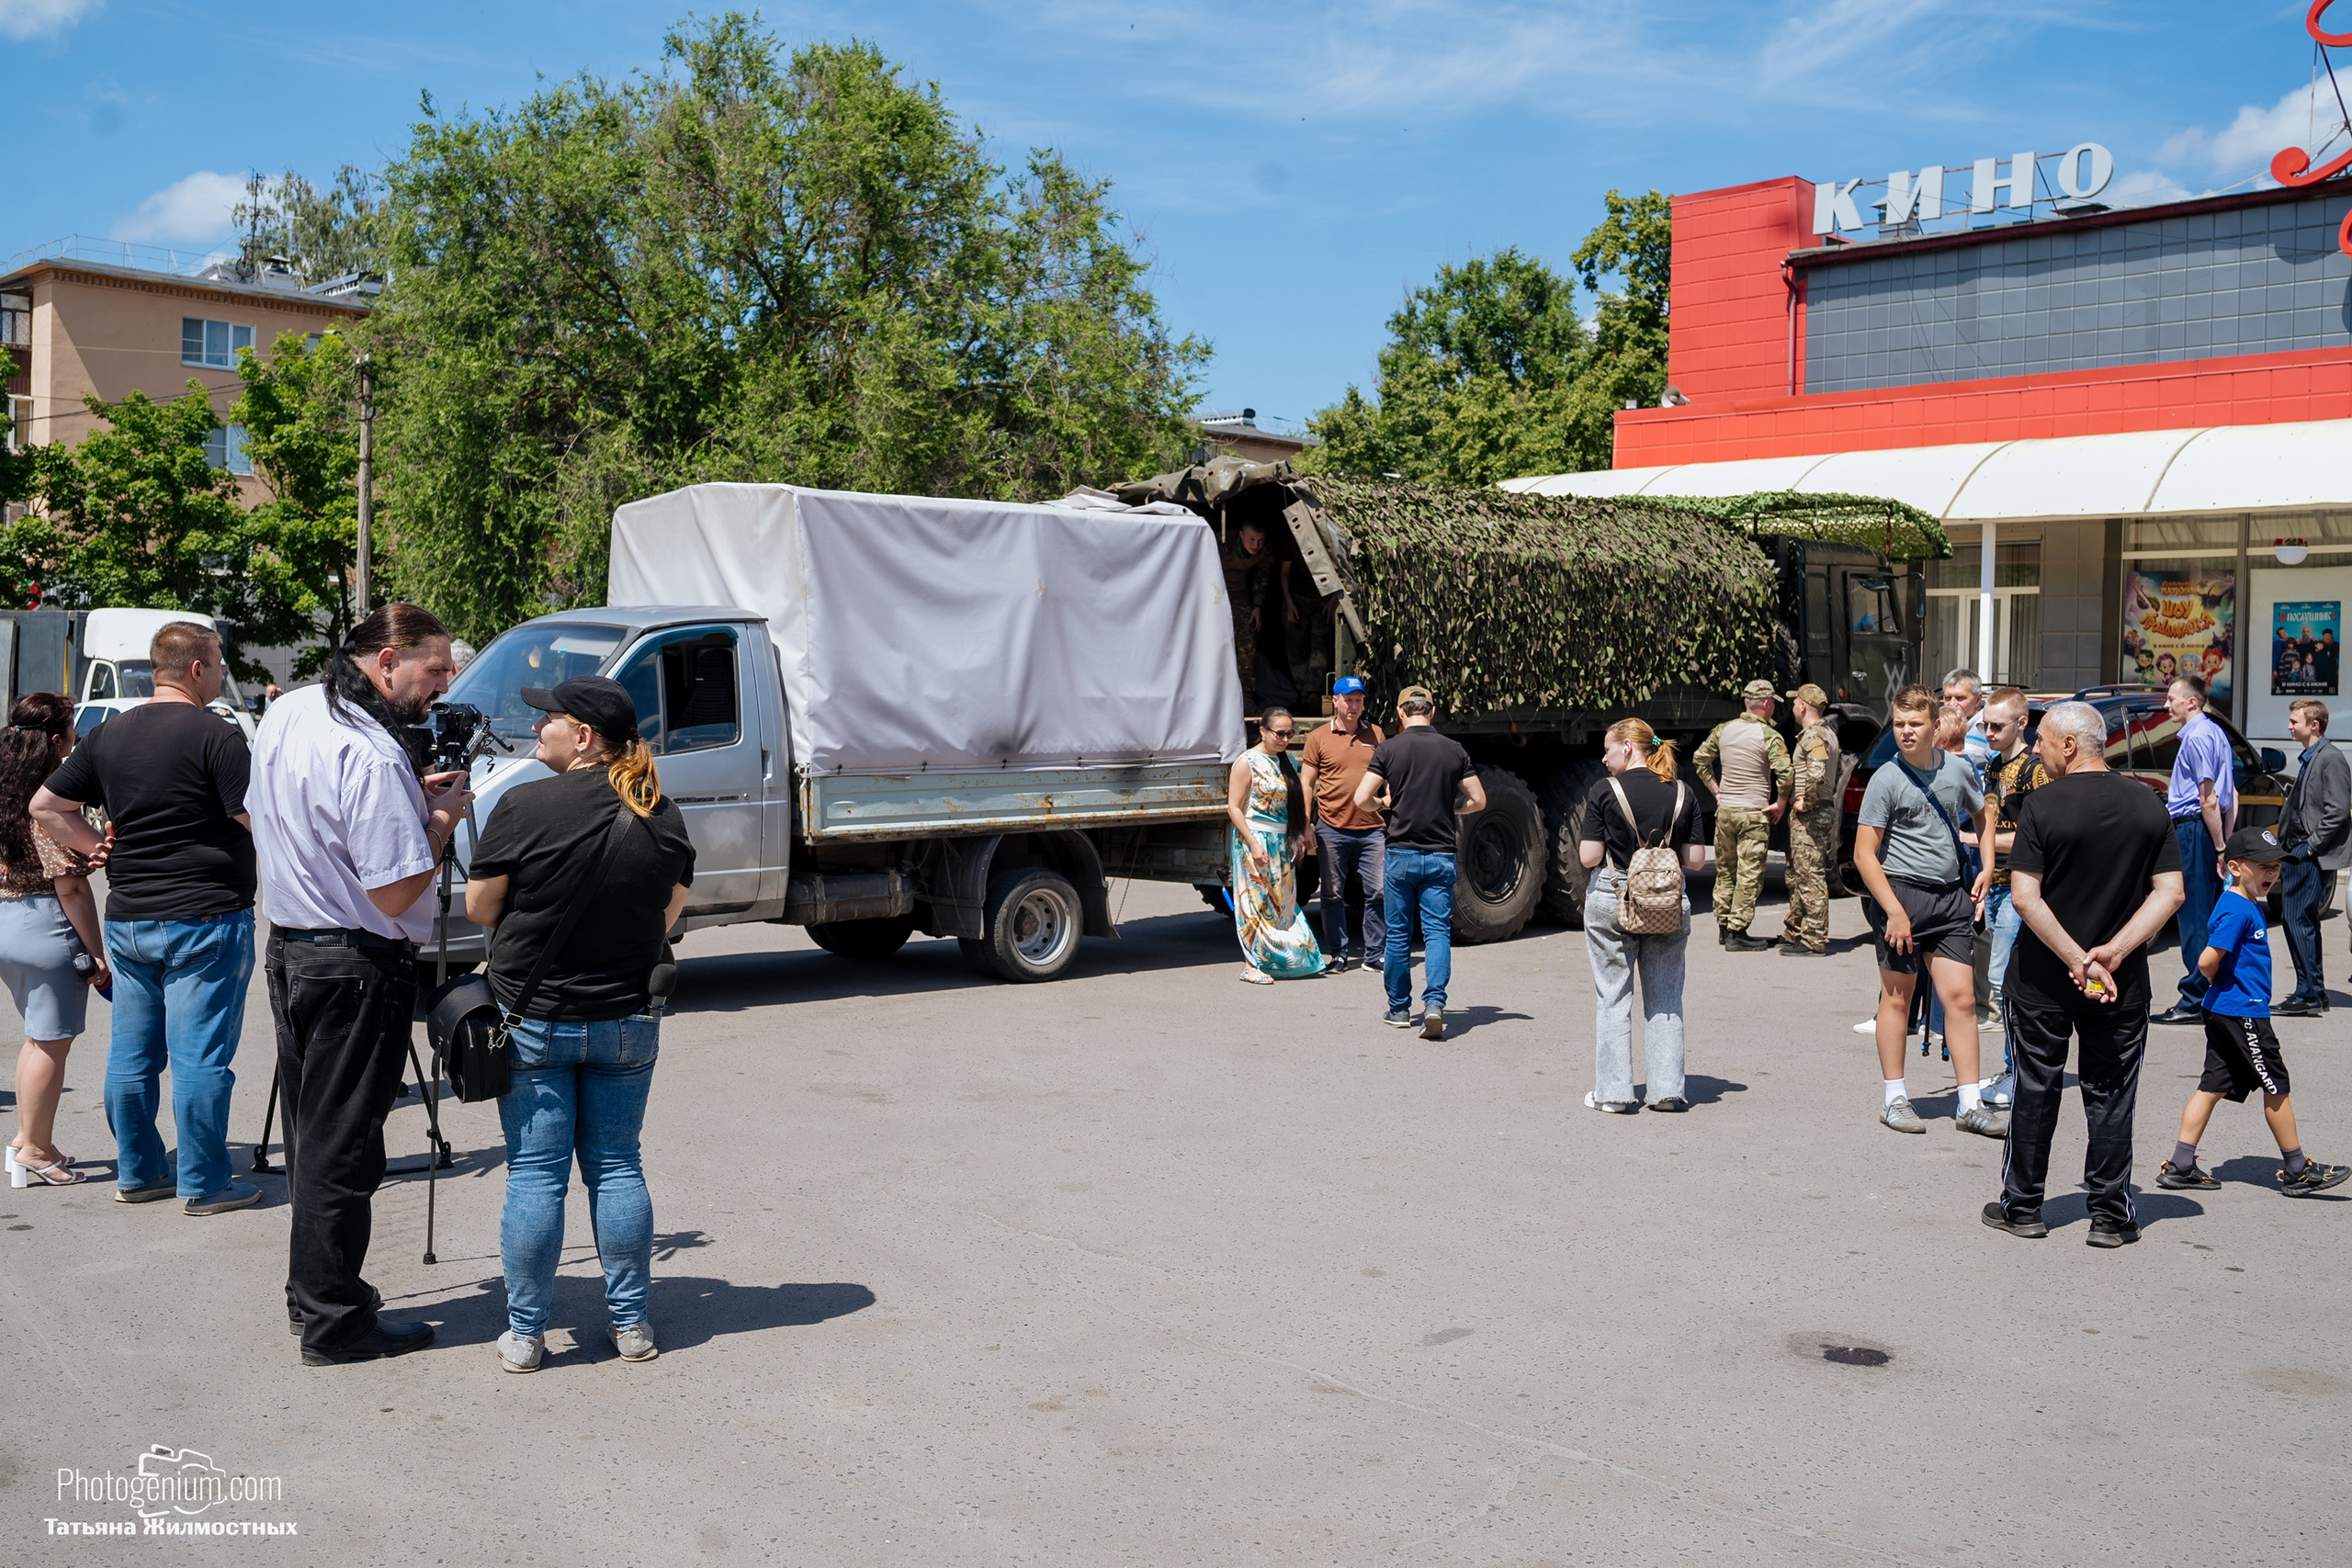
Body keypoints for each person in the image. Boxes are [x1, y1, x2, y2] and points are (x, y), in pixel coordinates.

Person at [246, 604, 470, 1365]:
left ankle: (312, 1293)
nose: (443, 684)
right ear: (386, 661)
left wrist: (410, 796)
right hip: (354, 965)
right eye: (434, 667)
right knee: (344, 1149)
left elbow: (274, 813)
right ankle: (335, 1320)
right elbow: (397, 891)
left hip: (295, 950)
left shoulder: (293, 711)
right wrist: (438, 819)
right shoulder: (370, 751)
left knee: (316, 1138)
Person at [465, 676, 696, 1371]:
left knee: (535, 1175)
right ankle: (631, 1326)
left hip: (533, 1019)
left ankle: (527, 1336)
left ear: (584, 736)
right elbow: (669, 911)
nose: (537, 731)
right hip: (627, 1017)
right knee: (618, 1166)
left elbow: (480, 908)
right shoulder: (662, 813)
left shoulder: (524, 805)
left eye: (548, 721)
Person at [30, 621, 258, 1214]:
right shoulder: (218, 735)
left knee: (132, 1056)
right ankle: (205, 1183)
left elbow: (46, 805)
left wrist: (91, 845)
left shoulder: (107, 734)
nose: (221, 674)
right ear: (197, 669)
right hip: (204, 913)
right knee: (200, 1057)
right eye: (218, 664)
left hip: (130, 916)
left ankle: (139, 1170)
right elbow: (254, 820)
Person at [1983, 701, 2185, 1247]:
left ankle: (2023, 1206)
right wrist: (2112, 952)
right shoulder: (2148, 803)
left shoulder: (2041, 806)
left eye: (2045, 741)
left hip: (2043, 980)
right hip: (2121, 983)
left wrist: (2077, 958)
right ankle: (2110, 1216)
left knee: (2035, 1088)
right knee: (2112, 1093)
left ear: (2069, 745)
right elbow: (2171, 893)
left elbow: (2025, 897)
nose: (2040, 750)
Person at [2155, 827, 2348, 1197]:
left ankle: (2180, 1165)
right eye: (2262, 865)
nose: (2271, 873)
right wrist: (2223, 984)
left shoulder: (2242, 904)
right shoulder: (2238, 909)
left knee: (2212, 1085)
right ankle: (2297, 1169)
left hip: (2228, 1011)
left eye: (2275, 866)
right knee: (2276, 1085)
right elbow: (2207, 959)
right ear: (2234, 866)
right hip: (2242, 1013)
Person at [1853, 684, 2001, 1138]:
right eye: (1898, 724)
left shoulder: (1957, 769)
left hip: (1950, 898)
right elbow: (1864, 855)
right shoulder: (1886, 779)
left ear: (1936, 726)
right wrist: (1895, 912)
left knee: (1959, 1001)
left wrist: (1989, 866)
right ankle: (1895, 1098)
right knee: (1896, 1000)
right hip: (1902, 898)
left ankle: (1970, 1104)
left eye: (1915, 724)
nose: (1905, 732)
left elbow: (1984, 815)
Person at [2, 695, 107, 1188]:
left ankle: (27, 1138)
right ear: (57, 738)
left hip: (5, 920)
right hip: (43, 923)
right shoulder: (46, 795)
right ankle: (35, 1150)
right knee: (51, 1042)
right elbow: (69, 884)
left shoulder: (3, 786)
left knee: (37, 1037)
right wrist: (96, 952)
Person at [1577, 718, 1706, 1113]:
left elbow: (1589, 857)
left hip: (1614, 899)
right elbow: (1695, 861)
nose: (1603, 758)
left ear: (1629, 748)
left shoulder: (1605, 791)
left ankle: (1613, 1095)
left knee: (1614, 996)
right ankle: (1667, 1091)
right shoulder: (1683, 792)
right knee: (1666, 997)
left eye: (1608, 749)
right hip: (1667, 905)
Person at [1353, 685, 1485, 1040]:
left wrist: (1384, 804)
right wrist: (1453, 807)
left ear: (1400, 712)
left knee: (1397, 935)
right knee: (1437, 932)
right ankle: (1435, 1005)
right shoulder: (1453, 750)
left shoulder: (1389, 749)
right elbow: (1478, 800)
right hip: (1440, 853)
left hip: (1401, 854)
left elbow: (1361, 798)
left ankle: (1398, 1009)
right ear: (1433, 710)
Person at [1979, 687, 2049, 1106]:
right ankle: (2016, 1068)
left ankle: (2019, 1071)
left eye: (1996, 726)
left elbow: (2036, 835)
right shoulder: (1993, 765)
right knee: (2001, 983)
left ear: (2022, 724)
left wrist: (1980, 841)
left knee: (2009, 984)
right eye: (1984, 725)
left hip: (2022, 888)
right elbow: (1990, 819)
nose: (1988, 732)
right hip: (1997, 886)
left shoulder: (2034, 770)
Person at [2153, 674, 2235, 1024]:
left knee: (2194, 915)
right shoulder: (2216, 733)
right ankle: (2209, 990)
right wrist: (2223, 841)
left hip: (2194, 829)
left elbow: (2209, 797)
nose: (2166, 704)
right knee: (2207, 912)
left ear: (2191, 702)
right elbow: (2233, 796)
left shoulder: (2198, 737)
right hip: (2207, 830)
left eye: (2172, 698)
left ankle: (2195, 997)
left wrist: (2218, 846)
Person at [1226, 707, 1327, 984]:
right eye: (1279, 733)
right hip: (1256, 839)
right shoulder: (1247, 762)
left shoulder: (1287, 761)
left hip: (1281, 842)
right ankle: (1251, 965)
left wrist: (1299, 834)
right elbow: (1234, 807)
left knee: (1283, 903)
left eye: (1289, 734)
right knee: (1255, 902)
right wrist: (1253, 843)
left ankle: (1278, 960)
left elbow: (1292, 803)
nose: (1284, 739)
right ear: (1263, 731)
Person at [1691, 679, 1789, 952]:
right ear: (1767, 704)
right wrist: (1780, 803)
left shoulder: (1723, 730)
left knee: (1725, 873)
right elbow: (1786, 773)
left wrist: (1715, 789)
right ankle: (1738, 932)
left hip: (1726, 813)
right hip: (1753, 814)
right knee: (1749, 874)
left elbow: (1700, 759)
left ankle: (1724, 927)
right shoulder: (1769, 736)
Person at [1299, 676, 1385, 972]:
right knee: (1332, 894)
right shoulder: (1319, 737)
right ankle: (1338, 954)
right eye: (1348, 699)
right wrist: (1306, 825)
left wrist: (1390, 804)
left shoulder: (1376, 734)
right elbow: (1307, 783)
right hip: (1331, 828)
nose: (1354, 705)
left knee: (1378, 892)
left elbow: (1388, 776)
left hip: (1372, 828)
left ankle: (1374, 954)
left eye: (1358, 700)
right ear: (1334, 701)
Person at [2275, 699, 2348, 1016]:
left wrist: (2311, 846)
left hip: (2307, 853)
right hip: (2297, 851)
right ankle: (2313, 990)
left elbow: (2338, 810)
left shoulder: (2330, 758)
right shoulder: (2311, 757)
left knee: (2297, 920)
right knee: (2300, 921)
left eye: (2295, 721)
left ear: (2314, 725)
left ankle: (2308, 993)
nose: (2290, 726)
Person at [1779, 683, 1839, 957]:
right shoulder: (1824, 733)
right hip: (1813, 812)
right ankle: (1797, 930)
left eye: (1795, 703)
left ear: (1803, 706)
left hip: (1811, 814)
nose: (1792, 707)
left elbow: (1816, 772)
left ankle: (1814, 938)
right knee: (1798, 873)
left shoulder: (1814, 736)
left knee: (1810, 876)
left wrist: (1807, 800)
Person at [1221, 520, 1276, 706]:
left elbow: (1262, 577)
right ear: (1241, 535)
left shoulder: (1264, 551)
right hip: (1211, 593)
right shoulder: (1222, 542)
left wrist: (1257, 606)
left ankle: (1245, 699)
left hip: (1238, 594)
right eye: (1251, 539)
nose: (1255, 545)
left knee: (1246, 642)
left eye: (1260, 540)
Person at [1942, 667, 1996, 782]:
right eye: (1947, 698)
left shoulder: (1989, 728)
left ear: (1977, 700)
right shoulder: (1937, 726)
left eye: (1960, 698)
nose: (1952, 704)